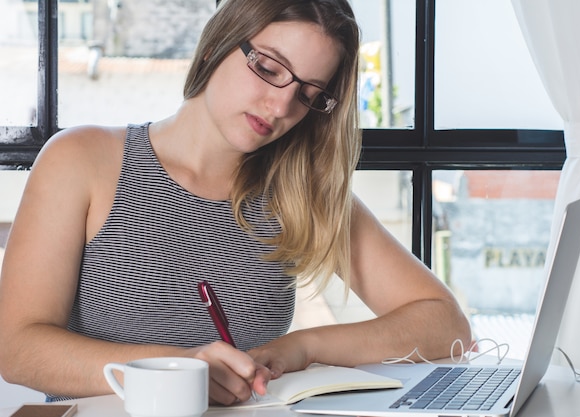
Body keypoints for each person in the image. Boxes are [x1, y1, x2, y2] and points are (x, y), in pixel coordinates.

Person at [0, 0, 471, 406]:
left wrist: (301, 348)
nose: (282, 106)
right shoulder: (82, 160)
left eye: (308, 94)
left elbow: (444, 323)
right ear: (215, 45)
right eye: (267, 68)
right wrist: (179, 371)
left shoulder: (298, 192)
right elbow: (16, 350)